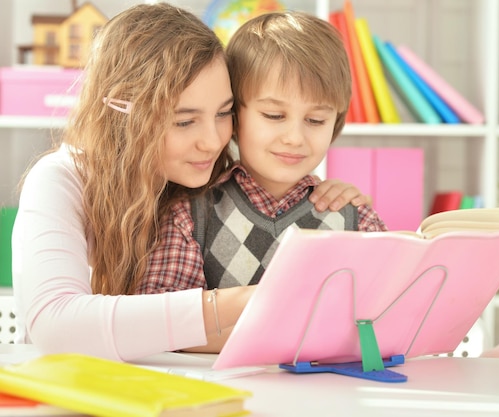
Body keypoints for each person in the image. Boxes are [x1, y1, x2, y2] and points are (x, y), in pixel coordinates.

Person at [12, 3, 369, 361]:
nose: (213, 142)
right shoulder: (59, 180)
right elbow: (55, 328)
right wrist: (265, 296)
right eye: (184, 121)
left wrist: (324, 199)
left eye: (223, 113)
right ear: (122, 114)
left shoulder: (206, 186)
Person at [136, 11, 387, 352]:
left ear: (336, 123)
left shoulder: (355, 219)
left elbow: (389, 319)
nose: (294, 137)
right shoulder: (189, 216)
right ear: (234, 117)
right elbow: (160, 321)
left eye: (315, 119)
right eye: (274, 116)